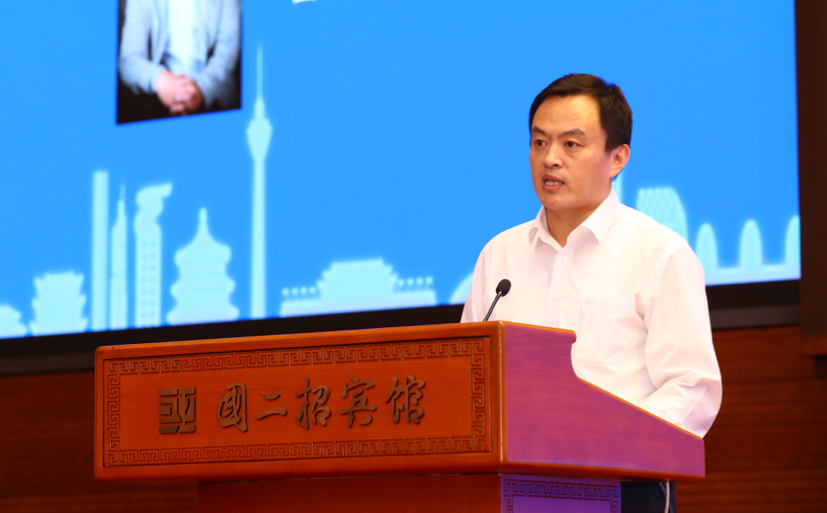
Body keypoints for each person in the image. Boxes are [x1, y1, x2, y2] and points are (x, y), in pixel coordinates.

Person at [461, 74, 722, 513]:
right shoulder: (499, 254)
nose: (550, 159)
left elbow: (693, 384)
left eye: (571, 144)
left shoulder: (659, 253)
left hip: (623, 485)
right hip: (513, 486)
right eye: (539, 142)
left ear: (617, 157)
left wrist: (619, 445)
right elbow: (471, 374)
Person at [118, 0, 241, 121]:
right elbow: (128, 60)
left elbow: (227, 53)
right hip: (156, 99)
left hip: (213, 94)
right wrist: (160, 80)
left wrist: (201, 88)